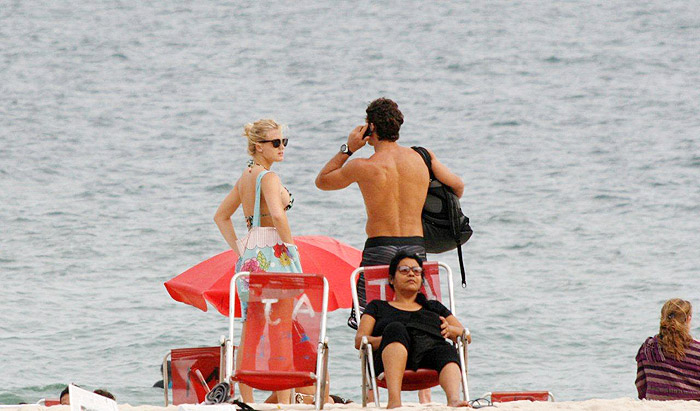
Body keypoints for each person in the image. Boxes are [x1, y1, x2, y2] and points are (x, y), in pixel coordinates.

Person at [315, 98, 464, 402]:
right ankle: (425, 398)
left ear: (370, 129)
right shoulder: (422, 158)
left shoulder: (363, 165)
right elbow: (458, 187)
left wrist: (348, 148)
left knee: (369, 318)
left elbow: (323, 182)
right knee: (420, 315)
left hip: (379, 249)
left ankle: (371, 393)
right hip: (415, 248)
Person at [214, 119, 301, 404]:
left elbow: (221, 216)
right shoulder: (269, 178)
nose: (282, 147)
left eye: (283, 141)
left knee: (250, 331)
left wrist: (241, 250)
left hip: (251, 255)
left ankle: (246, 400)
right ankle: (285, 403)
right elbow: (277, 215)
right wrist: (290, 248)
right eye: (275, 143)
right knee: (281, 334)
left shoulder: (246, 176)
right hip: (275, 253)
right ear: (257, 146)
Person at [355, 251, 470, 408]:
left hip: (430, 356)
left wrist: (450, 330)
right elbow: (359, 340)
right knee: (395, 329)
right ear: (391, 279)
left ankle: (454, 400)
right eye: (404, 270)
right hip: (390, 358)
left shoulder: (433, 306)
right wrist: (387, 340)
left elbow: (465, 336)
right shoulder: (377, 306)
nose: (411, 274)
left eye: (416, 271)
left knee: (446, 350)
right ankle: (394, 403)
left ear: (421, 280)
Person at [636, 298, 700, 401]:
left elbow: (641, 388)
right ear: (688, 319)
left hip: (655, 405)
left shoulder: (647, 348)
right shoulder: (697, 350)